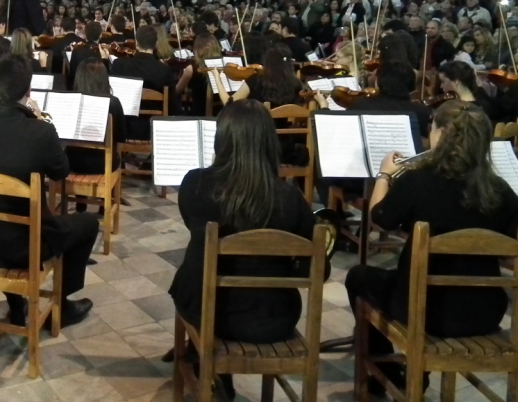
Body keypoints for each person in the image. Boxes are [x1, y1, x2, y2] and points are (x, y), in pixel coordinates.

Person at [345, 101, 518, 395]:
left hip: (423, 310)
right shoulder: (500, 191)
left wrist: (385, 175)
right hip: (485, 311)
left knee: (359, 276)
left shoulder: (418, 181)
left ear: (441, 134)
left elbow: (379, 219)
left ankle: (388, 375)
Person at [170, 100, 327, 395]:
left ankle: (204, 362)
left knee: (193, 263)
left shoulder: (196, 184)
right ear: (270, 143)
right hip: (276, 318)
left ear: (222, 139)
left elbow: (194, 231)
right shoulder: (291, 198)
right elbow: (320, 270)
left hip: (214, 315)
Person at [0, 57, 98, 327]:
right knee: (87, 224)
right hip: (26, 248)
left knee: (6, 214)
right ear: (29, 92)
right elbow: (61, 171)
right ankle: (62, 304)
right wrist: (41, 119)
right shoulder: (40, 131)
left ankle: (16, 304)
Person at [110, 24, 186, 116]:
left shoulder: (119, 64)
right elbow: (172, 105)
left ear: (136, 43)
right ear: (155, 43)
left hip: (126, 123)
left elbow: (112, 100)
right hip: (153, 122)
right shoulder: (165, 70)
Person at [68, 57, 125, 175]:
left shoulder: (70, 101)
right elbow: (120, 139)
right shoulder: (113, 103)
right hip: (104, 164)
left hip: (72, 161)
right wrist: (116, 158)